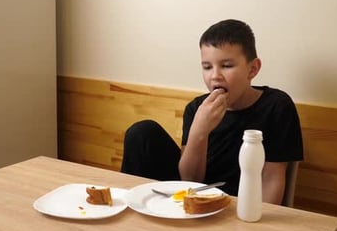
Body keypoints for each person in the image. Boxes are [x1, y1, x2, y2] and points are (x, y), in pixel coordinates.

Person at [121, 19, 303, 205]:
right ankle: (134, 211)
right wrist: (200, 131)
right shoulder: (196, 108)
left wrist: (257, 224)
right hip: (195, 195)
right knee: (142, 133)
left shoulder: (277, 106)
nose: (215, 75)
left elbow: (272, 178)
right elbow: (189, 180)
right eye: (207, 67)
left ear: (253, 69)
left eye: (226, 65)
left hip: (241, 204)